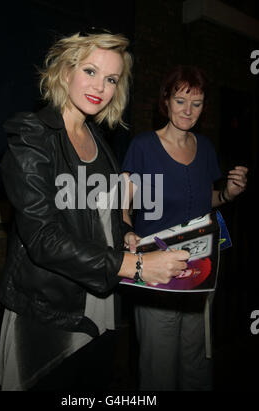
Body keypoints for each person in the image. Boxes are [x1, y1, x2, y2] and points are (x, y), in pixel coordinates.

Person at [0, 30, 189, 391]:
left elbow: (105, 212)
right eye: (90, 71)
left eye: (111, 78)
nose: (100, 86)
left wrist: (125, 232)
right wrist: (138, 266)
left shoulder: (99, 140)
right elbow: (43, 240)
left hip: (99, 296)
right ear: (65, 72)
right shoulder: (33, 136)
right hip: (49, 306)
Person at [122, 65, 248, 391]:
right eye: (180, 101)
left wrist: (227, 194)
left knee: (196, 359)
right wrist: (127, 231)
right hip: (157, 272)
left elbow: (207, 198)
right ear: (166, 101)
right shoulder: (143, 147)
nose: (188, 110)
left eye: (197, 103)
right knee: (159, 366)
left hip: (200, 269)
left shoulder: (204, 147)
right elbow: (121, 206)